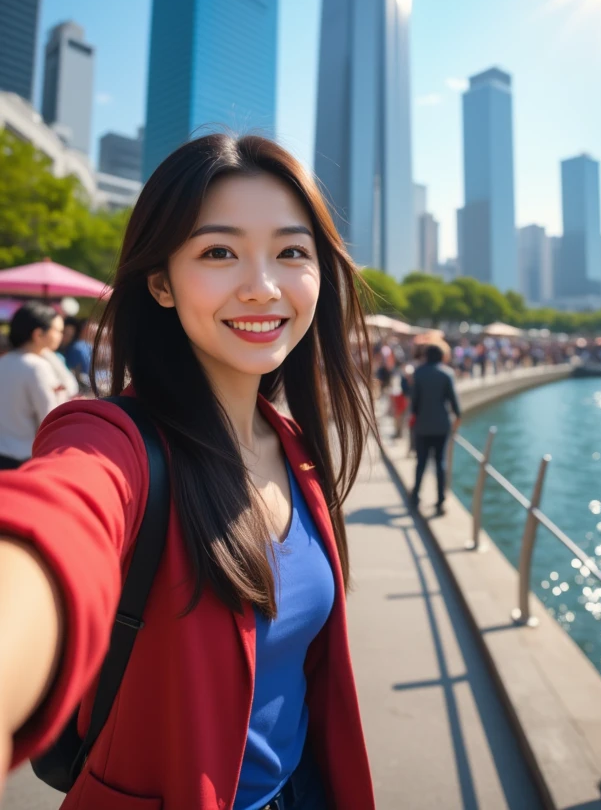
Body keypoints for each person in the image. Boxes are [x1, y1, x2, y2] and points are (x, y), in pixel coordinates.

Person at [0, 133, 377, 810]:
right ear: (161, 283)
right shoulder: (113, 443)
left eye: (292, 252)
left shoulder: (296, 449)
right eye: (218, 252)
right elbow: (57, 518)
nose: (262, 287)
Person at [0, 302, 67, 469]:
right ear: (38, 334)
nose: (61, 335)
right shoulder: (37, 366)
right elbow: (49, 418)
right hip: (26, 459)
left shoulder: (4, 361)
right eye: (57, 330)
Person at [409, 344, 461, 516]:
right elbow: (453, 401)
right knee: (440, 463)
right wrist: (458, 417)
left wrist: (416, 417)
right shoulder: (447, 374)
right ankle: (440, 501)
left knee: (421, 461)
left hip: (423, 425)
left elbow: (414, 402)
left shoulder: (419, 373)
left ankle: (416, 496)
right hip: (441, 425)